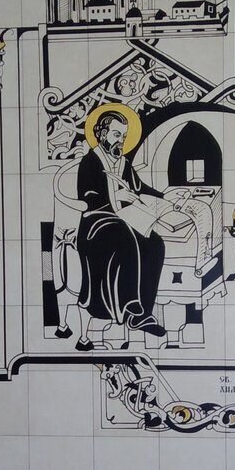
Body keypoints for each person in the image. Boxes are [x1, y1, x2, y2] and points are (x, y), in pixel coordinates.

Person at [74, 109, 168, 348]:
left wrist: (166, 197)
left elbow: (139, 187)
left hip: (123, 219)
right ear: (101, 133)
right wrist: (115, 196)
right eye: (116, 134)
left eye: (124, 136)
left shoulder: (122, 162)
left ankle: (143, 313)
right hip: (96, 224)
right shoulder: (90, 162)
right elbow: (88, 199)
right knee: (125, 237)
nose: (121, 141)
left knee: (155, 243)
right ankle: (131, 307)